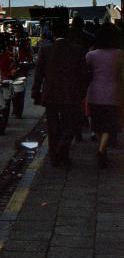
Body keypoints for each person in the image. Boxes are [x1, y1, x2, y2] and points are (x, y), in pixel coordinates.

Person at [32, 20, 88, 168]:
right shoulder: (78, 50)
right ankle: (63, 151)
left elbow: (38, 74)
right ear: (67, 32)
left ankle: (54, 156)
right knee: (70, 125)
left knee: (52, 126)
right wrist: (82, 92)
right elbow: (84, 74)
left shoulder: (45, 50)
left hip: (50, 94)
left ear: (53, 33)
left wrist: (35, 92)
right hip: (71, 94)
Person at [85, 24, 123, 168]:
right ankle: (102, 150)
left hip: (94, 93)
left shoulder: (91, 55)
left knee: (97, 124)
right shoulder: (120, 54)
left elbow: (85, 72)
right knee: (110, 125)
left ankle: (102, 149)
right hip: (114, 94)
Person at [0, 33, 16, 135]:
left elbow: (13, 67)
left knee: (5, 106)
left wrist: (10, 74)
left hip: (5, 83)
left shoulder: (9, 55)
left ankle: (2, 127)